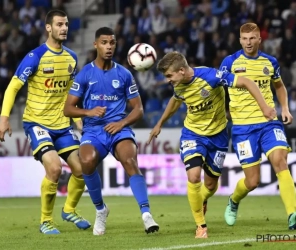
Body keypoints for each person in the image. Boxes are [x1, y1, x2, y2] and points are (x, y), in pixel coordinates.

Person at [147, 51, 276, 238]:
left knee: (210, 184)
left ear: (182, 70)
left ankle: (203, 199)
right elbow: (175, 101)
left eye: (169, 75)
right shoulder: (179, 84)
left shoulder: (211, 77)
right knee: (193, 176)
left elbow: (247, 82)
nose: (167, 80)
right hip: (193, 134)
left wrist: (264, 107)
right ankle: (201, 226)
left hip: (218, 136)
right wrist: (159, 123)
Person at [0, 10, 91, 234]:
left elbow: (70, 92)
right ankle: (46, 221)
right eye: (59, 24)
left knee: (83, 169)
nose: (64, 28)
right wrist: (3, 119)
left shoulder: (71, 57)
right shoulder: (35, 56)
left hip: (61, 124)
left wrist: (77, 119)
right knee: (55, 168)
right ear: (48, 28)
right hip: (37, 123)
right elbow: (13, 86)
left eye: (66, 24)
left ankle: (69, 210)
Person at [63, 27, 159, 236]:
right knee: (86, 161)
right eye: (104, 42)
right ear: (95, 44)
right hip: (93, 130)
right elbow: (68, 108)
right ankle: (100, 210)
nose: (108, 47)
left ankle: (146, 214)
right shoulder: (85, 74)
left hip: (119, 129)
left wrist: (122, 123)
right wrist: (89, 111)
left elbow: (139, 109)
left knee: (129, 159)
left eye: (112, 43)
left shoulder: (124, 74)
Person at [220, 22, 296, 229]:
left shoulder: (270, 62)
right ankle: (234, 200)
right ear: (239, 40)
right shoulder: (229, 62)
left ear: (259, 40)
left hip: (269, 122)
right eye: (244, 39)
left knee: (280, 160)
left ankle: (293, 214)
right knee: (252, 181)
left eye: (252, 38)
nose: (248, 42)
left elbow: (279, 86)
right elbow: (220, 89)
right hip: (243, 128)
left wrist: (285, 108)